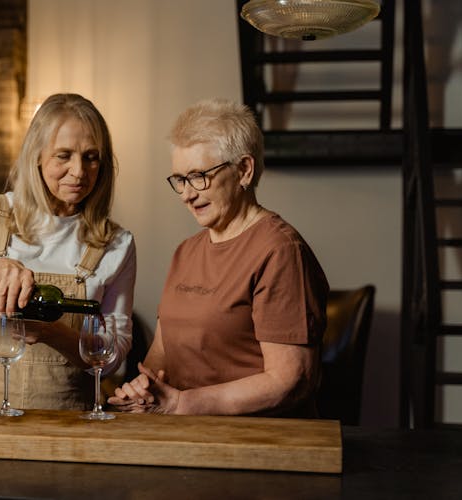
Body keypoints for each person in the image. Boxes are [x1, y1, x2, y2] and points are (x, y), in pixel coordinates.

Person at [108, 98, 328, 417]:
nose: (187, 193)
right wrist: (143, 389)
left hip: (257, 441)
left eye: (199, 176)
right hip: (187, 435)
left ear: (244, 170)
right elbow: (163, 351)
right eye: (180, 180)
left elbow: (290, 380)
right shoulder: (186, 251)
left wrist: (184, 403)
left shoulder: (279, 250)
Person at [0, 93, 136, 410]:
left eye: (91, 157)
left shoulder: (116, 243)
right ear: (37, 155)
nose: (79, 171)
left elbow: (113, 356)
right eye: (63, 155)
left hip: (63, 418)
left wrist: (50, 332)